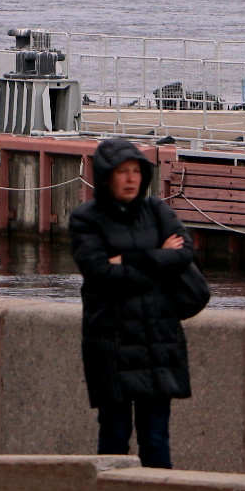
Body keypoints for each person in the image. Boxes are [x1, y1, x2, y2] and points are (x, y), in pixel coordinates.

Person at [67, 136, 193, 470]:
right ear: (106, 176)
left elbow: (185, 253)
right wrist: (158, 259)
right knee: (114, 437)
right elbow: (98, 272)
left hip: (157, 341)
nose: (131, 178)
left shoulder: (157, 210)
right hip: (111, 342)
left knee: (155, 439)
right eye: (122, 171)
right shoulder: (86, 218)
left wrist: (126, 261)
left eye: (136, 170)